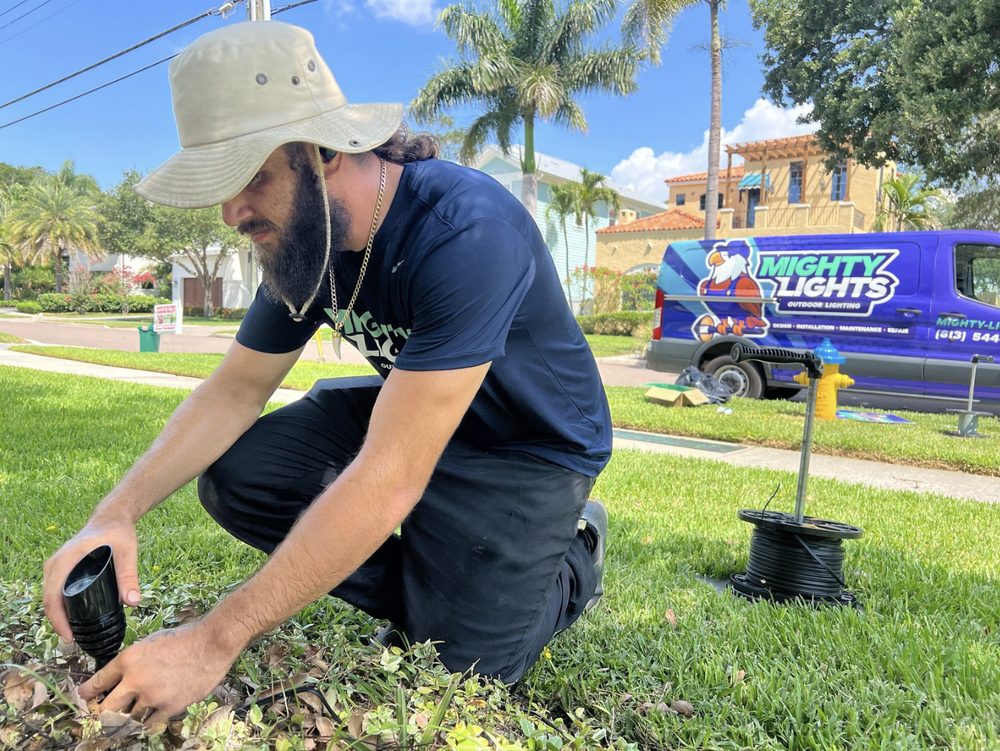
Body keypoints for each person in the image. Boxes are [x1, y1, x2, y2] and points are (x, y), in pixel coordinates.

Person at [42, 20, 611, 724]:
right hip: (414, 413)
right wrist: (114, 514)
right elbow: (234, 390)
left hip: (528, 445)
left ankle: (574, 552)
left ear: (321, 154)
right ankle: (442, 579)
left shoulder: (465, 231)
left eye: (248, 178)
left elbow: (389, 478)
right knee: (238, 474)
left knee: (462, 668)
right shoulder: (305, 246)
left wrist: (213, 640)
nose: (230, 212)